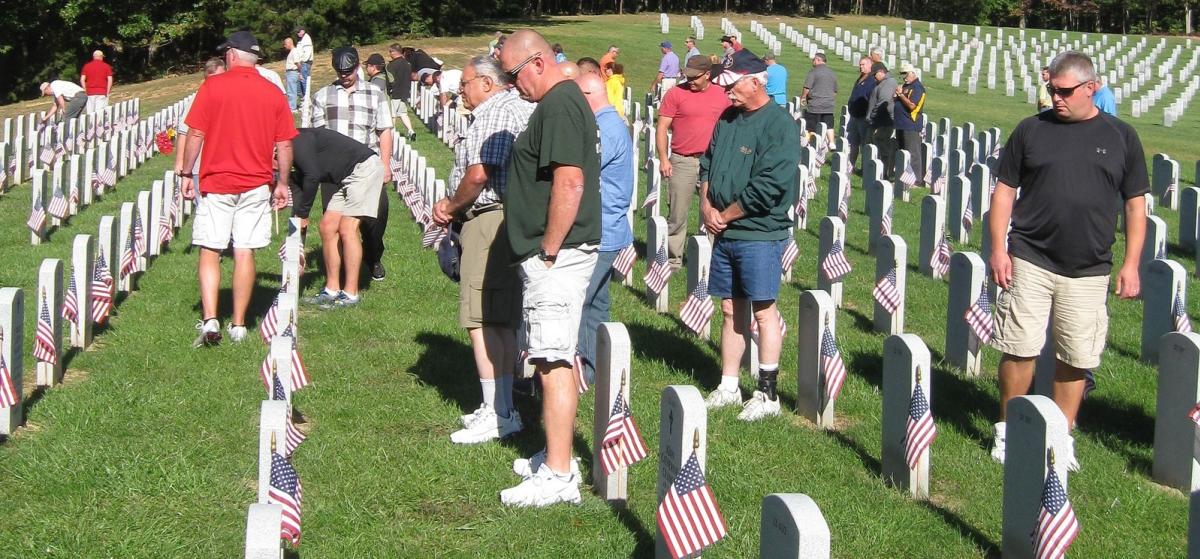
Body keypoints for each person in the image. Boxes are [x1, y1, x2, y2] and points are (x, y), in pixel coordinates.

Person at [987, 51, 1147, 471]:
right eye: (1051, 90)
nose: (1055, 98)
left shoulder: (1121, 136)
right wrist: (998, 249)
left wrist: (1131, 263)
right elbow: (1004, 190)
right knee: (1019, 348)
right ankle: (1009, 430)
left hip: (1088, 267)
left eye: (1065, 91)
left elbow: (1134, 204)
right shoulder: (1031, 130)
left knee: (1075, 356)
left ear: (1091, 88)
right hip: (1030, 257)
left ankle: (1061, 435)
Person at [496, 29, 601, 507]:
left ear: (536, 62)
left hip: (557, 256)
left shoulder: (559, 104)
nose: (511, 84)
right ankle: (554, 453)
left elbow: (571, 182)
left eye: (513, 74)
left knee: (554, 360)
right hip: (553, 254)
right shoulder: (560, 101)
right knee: (546, 354)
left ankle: (559, 475)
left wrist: (549, 249)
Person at [429, 55, 534, 445]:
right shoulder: (511, 106)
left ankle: (499, 413)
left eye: (466, 83)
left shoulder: (496, 111)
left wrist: (451, 206)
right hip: (502, 219)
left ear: (487, 84)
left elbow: (479, 172)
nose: (461, 91)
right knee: (499, 319)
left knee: (482, 319)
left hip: (489, 217)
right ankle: (500, 406)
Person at [178, 31, 297, 346]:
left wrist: (186, 172)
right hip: (256, 183)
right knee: (244, 251)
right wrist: (282, 182)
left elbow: (195, 134)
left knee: (210, 248)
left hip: (217, 180)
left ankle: (210, 319)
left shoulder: (213, 86)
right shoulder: (272, 93)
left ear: (231, 55)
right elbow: (284, 144)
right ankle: (240, 324)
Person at [702, 49, 800, 421]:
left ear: (755, 82)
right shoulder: (728, 118)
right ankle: (729, 385)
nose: (725, 91)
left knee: (763, 310)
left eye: (731, 84)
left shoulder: (778, 125)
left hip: (758, 232)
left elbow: (770, 185)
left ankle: (767, 393)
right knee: (729, 309)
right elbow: (708, 162)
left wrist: (724, 215)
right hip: (724, 230)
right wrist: (707, 207)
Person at [311, 47, 394, 287]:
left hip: (367, 167)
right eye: (340, 71)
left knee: (375, 219)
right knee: (336, 225)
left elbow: (384, 130)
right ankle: (346, 277)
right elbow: (318, 135)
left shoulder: (374, 93)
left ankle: (373, 254)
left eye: (348, 70)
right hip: (335, 172)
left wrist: (385, 164)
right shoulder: (323, 95)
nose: (344, 75)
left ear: (357, 66)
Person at [575, 72, 633, 387]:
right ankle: (599, 369)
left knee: (582, 301)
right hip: (609, 228)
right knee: (597, 301)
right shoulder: (610, 123)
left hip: (601, 229)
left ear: (588, 95)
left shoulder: (604, 129)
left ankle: (584, 370)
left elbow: (584, 175)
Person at [288, 128, 384, 309]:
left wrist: (303, 214)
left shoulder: (297, 142)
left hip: (365, 168)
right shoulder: (288, 152)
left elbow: (312, 176)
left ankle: (351, 293)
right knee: (327, 226)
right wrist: (298, 227)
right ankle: (332, 289)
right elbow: (299, 188)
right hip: (346, 176)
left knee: (347, 229)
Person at [657, 55, 731, 271]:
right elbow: (662, 127)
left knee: (714, 212)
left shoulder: (722, 95)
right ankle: (673, 260)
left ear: (708, 75)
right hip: (683, 160)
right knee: (677, 213)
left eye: (695, 77)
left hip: (714, 162)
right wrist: (663, 159)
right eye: (687, 75)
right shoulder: (675, 94)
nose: (690, 80)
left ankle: (711, 259)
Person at [174, 58, 227, 182]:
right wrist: (180, 161)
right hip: (202, 167)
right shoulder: (199, 99)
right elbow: (185, 131)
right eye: (212, 79)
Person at [893, 63, 926, 184]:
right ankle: (903, 179)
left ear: (912, 73)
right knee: (903, 152)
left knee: (913, 153)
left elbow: (912, 106)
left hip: (910, 124)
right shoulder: (907, 86)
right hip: (901, 123)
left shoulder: (917, 87)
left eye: (905, 74)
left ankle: (916, 180)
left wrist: (900, 95)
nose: (904, 77)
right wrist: (896, 96)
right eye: (902, 74)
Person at [866, 62, 898, 179]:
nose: (874, 77)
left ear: (881, 72)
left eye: (875, 74)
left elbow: (882, 103)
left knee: (882, 145)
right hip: (879, 121)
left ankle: (884, 172)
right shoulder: (883, 83)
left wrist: (872, 118)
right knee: (877, 145)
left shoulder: (888, 83)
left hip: (883, 122)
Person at [800, 52, 837, 147]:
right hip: (828, 104)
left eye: (814, 59)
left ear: (818, 60)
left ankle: (810, 143)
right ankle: (832, 142)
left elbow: (807, 87)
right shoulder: (832, 73)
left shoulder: (813, 72)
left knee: (811, 126)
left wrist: (803, 97)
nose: (813, 61)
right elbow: (835, 91)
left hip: (815, 104)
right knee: (829, 124)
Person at [846, 56, 877, 172]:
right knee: (853, 142)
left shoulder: (872, 81)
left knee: (865, 143)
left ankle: (865, 168)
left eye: (863, 64)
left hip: (863, 116)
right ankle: (851, 165)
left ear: (870, 65)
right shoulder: (860, 78)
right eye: (860, 65)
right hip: (854, 115)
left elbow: (871, 98)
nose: (861, 67)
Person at [385, 44, 417, 141]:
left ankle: (391, 135)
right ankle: (411, 130)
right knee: (403, 113)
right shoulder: (407, 64)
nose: (389, 54)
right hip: (405, 92)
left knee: (392, 115)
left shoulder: (392, 65)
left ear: (394, 52)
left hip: (394, 93)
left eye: (390, 52)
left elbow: (390, 79)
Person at [283, 38, 301, 111]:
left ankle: (292, 108)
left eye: (285, 44)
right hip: (291, 72)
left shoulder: (294, 51)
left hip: (292, 72)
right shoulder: (292, 52)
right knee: (292, 90)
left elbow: (298, 63)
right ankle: (293, 106)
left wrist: (300, 72)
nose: (284, 46)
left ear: (290, 43)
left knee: (291, 90)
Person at [295, 26, 313, 95]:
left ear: (303, 31)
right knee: (301, 80)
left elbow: (307, 53)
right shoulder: (301, 39)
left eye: (299, 32)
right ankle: (304, 96)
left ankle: (307, 98)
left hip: (305, 63)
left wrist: (302, 61)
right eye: (297, 32)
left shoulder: (306, 39)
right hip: (302, 63)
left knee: (304, 80)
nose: (297, 33)